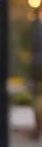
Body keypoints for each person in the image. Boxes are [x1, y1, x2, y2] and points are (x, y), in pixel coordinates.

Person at [31, 9, 42, 140]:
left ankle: (37, 129)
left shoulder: (36, 29)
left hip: (37, 66)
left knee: (37, 99)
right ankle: (37, 129)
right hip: (36, 66)